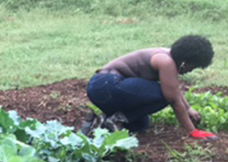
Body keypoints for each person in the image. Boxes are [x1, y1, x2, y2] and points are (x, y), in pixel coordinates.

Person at [84, 35, 216, 139]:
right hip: (108, 85)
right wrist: (192, 131)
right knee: (165, 95)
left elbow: (174, 88)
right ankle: (116, 118)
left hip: (100, 88)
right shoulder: (166, 61)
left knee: (140, 124)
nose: (190, 71)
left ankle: (101, 122)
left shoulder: (169, 57)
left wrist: (188, 108)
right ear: (185, 61)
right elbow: (173, 97)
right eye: (193, 66)